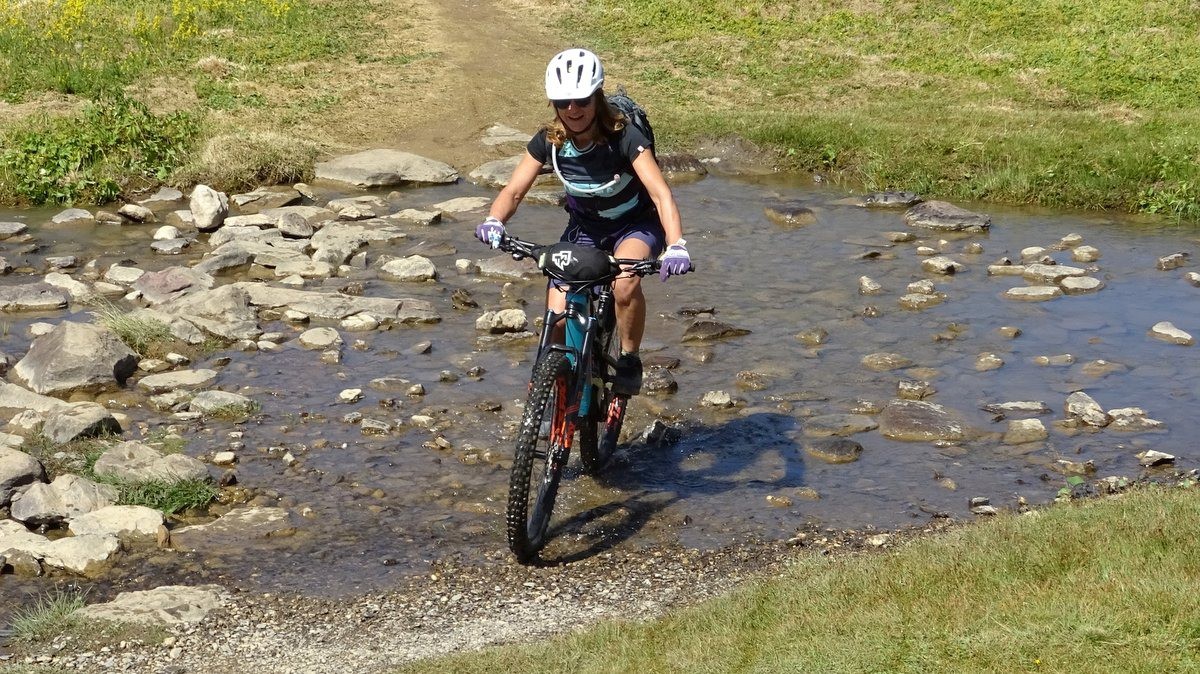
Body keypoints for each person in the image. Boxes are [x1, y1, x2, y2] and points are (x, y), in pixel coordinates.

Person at [475, 48, 691, 395]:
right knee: (557, 312)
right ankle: (556, 389)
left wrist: (677, 244)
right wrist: (493, 220)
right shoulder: (550, 141)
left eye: (581, 100)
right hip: (585, 229)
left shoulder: (625, 138)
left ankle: (630, 358)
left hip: (634, 225)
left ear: (597, 97)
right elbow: (514, 191)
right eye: (563, 102)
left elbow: (660, 194)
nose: (573, 110)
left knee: (625, 284)